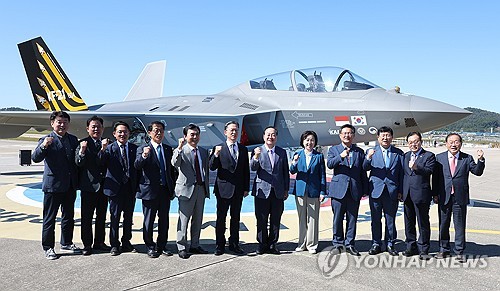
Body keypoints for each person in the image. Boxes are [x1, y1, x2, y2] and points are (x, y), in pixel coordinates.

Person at [32, 111, 81, 260]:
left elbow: (77, 161)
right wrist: (43, 147)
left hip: (69, 185)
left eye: (65, 122)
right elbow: (35, 158)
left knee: (68, 217)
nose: (62, 124)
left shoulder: (73, 140)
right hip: (53, 186)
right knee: (50, 218)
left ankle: (66, 242)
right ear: (52, 123)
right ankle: (48, 247)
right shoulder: (46, 139)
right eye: (59, 122)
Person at [433, 133, 485, 262]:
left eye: (456, 142)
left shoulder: (467, 158)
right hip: (444, 196)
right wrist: (434, 194)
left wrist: (481, 160)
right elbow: (435, 178)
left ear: (460, 144)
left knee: (460, 225)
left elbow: (477, 172)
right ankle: (443, 249)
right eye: (451, 141)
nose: (453, 144)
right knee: (443, 225)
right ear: (446, 144)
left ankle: (459, 251)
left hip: (459, 197)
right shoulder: (439, 158)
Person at [135, 121, 175, 258]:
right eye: (156, 130)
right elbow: (137, 165)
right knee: (149, 220)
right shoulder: (142, 148)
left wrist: (172, 187)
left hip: (164, 190)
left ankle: (162, 245)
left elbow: (172, 170)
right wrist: (144, 156)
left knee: (164, 220)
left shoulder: (168, 149)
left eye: (161, 130)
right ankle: (150, 246)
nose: (159, 133)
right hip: (149, 191)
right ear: (149, 132)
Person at [209, 121, 250, 256]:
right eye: (231, 130)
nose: (234, 133)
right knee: (221, 218)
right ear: (225, 132)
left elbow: (245, 170)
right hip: (223, 190)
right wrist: (215, 155)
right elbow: (212, 166)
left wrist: (246, 188)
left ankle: (234, 243)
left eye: (236, 130)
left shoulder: (243, 149)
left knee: (235, 218)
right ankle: (219, 245)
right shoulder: (218, 147)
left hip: (238, 190)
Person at [326, 124, 368, 256]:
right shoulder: (334, 149)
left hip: (354, 190)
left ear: (353, 136)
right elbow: (330, 164)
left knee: (352, 219)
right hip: (338, 190)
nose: (347, 135)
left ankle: (350, 243)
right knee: (337, 219)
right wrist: (341, 156)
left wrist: (365, 189)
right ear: (340, 135)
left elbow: (362, 172)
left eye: (349, 133)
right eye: (344, 133)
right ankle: (338, 243)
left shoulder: (359, 152)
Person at [363, 126, 404, 256]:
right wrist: (368, 158)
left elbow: (402, 174)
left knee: (390, 219)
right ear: (378, 138)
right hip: (376, 190)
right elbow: (365, 167)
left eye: (388, 135)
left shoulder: (398, 153)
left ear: (392, 137)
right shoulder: (372, 151)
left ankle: (390, 243)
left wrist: (401, 191)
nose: (385, 138)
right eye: (383, 136)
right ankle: (376, 243)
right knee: (375, 219)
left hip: (392, 190)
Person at [171, 123, 210, 259]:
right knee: (184, 220)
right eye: (192, 134)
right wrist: (179, 148)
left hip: (200, 189)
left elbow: (206, 169)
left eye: (197, 134)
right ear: (185, 136)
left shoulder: (204, 152)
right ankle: (181, 246)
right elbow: (175, 163)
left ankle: (195, 244)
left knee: (198, 220)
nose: (194, 137)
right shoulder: (181, 150)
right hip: (186, 190)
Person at [100, 121, 138, 256]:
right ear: (114, 134)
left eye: (125, 131)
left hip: (130, 188)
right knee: (115, 217)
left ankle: (126, 242)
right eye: (120, 132)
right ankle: (114, 244)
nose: (123, 134)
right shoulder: (109, 149)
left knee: (128, 218)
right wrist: (103, 149)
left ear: (129, 133)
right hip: (115, 189)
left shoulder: (134, 148)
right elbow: (101, 163)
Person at [250, 126, 290, 255]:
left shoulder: (282, 152)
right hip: (262, 190)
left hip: (277, 191)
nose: (270, 137)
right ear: (263, 136)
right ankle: (262, 244)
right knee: (261, 219)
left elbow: (285, 173)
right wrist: (256, 156)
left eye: (273, 135)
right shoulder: (257, 150)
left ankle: (273, 244)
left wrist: (286, 189)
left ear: (276, 137)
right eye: (268, 134)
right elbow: (253, 168)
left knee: (275, 219)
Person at [75, 115, 110, 256]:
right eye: (93, 127)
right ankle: (87, 244)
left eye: (99, 127)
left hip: (104, 187)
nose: (96, 129)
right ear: (87, 128)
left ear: (102, 129)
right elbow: (78, 162)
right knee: (86, 218)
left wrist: (104, 149)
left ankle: (99, 242)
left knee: (102, 217)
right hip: (88, 187)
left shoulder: (108, 143)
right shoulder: (82, 143)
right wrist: (83, 151)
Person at [289, 130, 326, 254]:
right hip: (300, 190)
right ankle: (302, 243)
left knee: (313, 218)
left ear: (315, 142)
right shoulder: (298, 154)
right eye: (307, 140)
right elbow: (292, 171)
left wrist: (322, 192)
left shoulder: (319, 156)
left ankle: (312, 244)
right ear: (303, 142)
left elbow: (322, 175)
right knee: (302, 218)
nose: (309, 142)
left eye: (312, 140)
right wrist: (294, 161)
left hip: (314, 191)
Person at [401, 131, 436, 260]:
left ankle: (424, 249)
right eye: (410, 142)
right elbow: (403, 175)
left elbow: (429, 171)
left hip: (421, 194)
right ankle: (411, 246)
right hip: (407, 194)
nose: (413, 144)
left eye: (416, 141)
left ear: (421, 141)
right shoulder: (405, 156)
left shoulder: (429, 156)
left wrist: (416, 167)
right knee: (409, 222)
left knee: (423, 222)